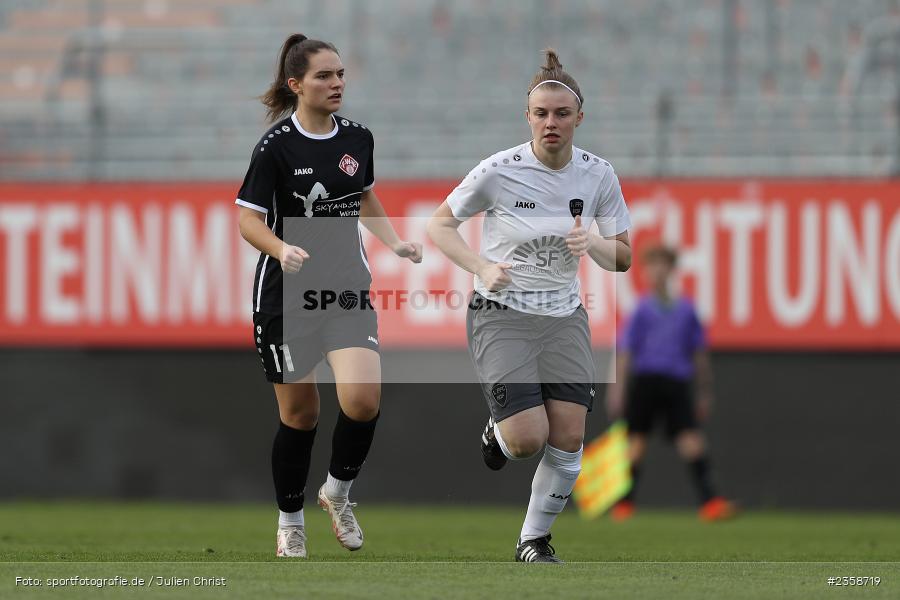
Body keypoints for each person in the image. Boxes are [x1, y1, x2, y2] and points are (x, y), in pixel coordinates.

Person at [427, 49, 632, 563]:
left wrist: (596, 247)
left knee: (569, 438)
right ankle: (499, 434)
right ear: (528, 117)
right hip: (503, 313)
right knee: (525, 440)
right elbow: (438, 226)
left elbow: (624, 256)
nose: (551, 122)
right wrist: (480, 266)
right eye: (541, 113)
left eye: (562, 113)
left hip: (564, 316)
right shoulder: (499, 170)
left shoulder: (599, 175)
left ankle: (533, 540)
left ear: (579, 118)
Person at [235, 33, 422, 558]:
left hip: (345, 289)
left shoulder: (358, 137)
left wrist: (395, 242)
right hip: (287, 296)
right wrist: (280, 248)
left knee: (362, 401)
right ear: (296, 85)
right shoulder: (274, 147)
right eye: (324, 75)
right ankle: (290, 521)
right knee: (301, 415)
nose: (336, 83)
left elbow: (362, 196)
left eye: (340, 73)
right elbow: (247, 219)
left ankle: (337, 493)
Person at [606, 244, 735, 522]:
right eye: (651, 265)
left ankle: (711, 503)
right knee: (636, 443)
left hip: (676, 381)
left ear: (672, 269)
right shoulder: (640, 310)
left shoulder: (686, 309)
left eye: (662, 264)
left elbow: (698, 352)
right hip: (647, 380)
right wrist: (616, 389)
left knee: (692, 440)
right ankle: (624, 505)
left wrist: (704, 390)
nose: (657, 271)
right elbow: (625, 352)